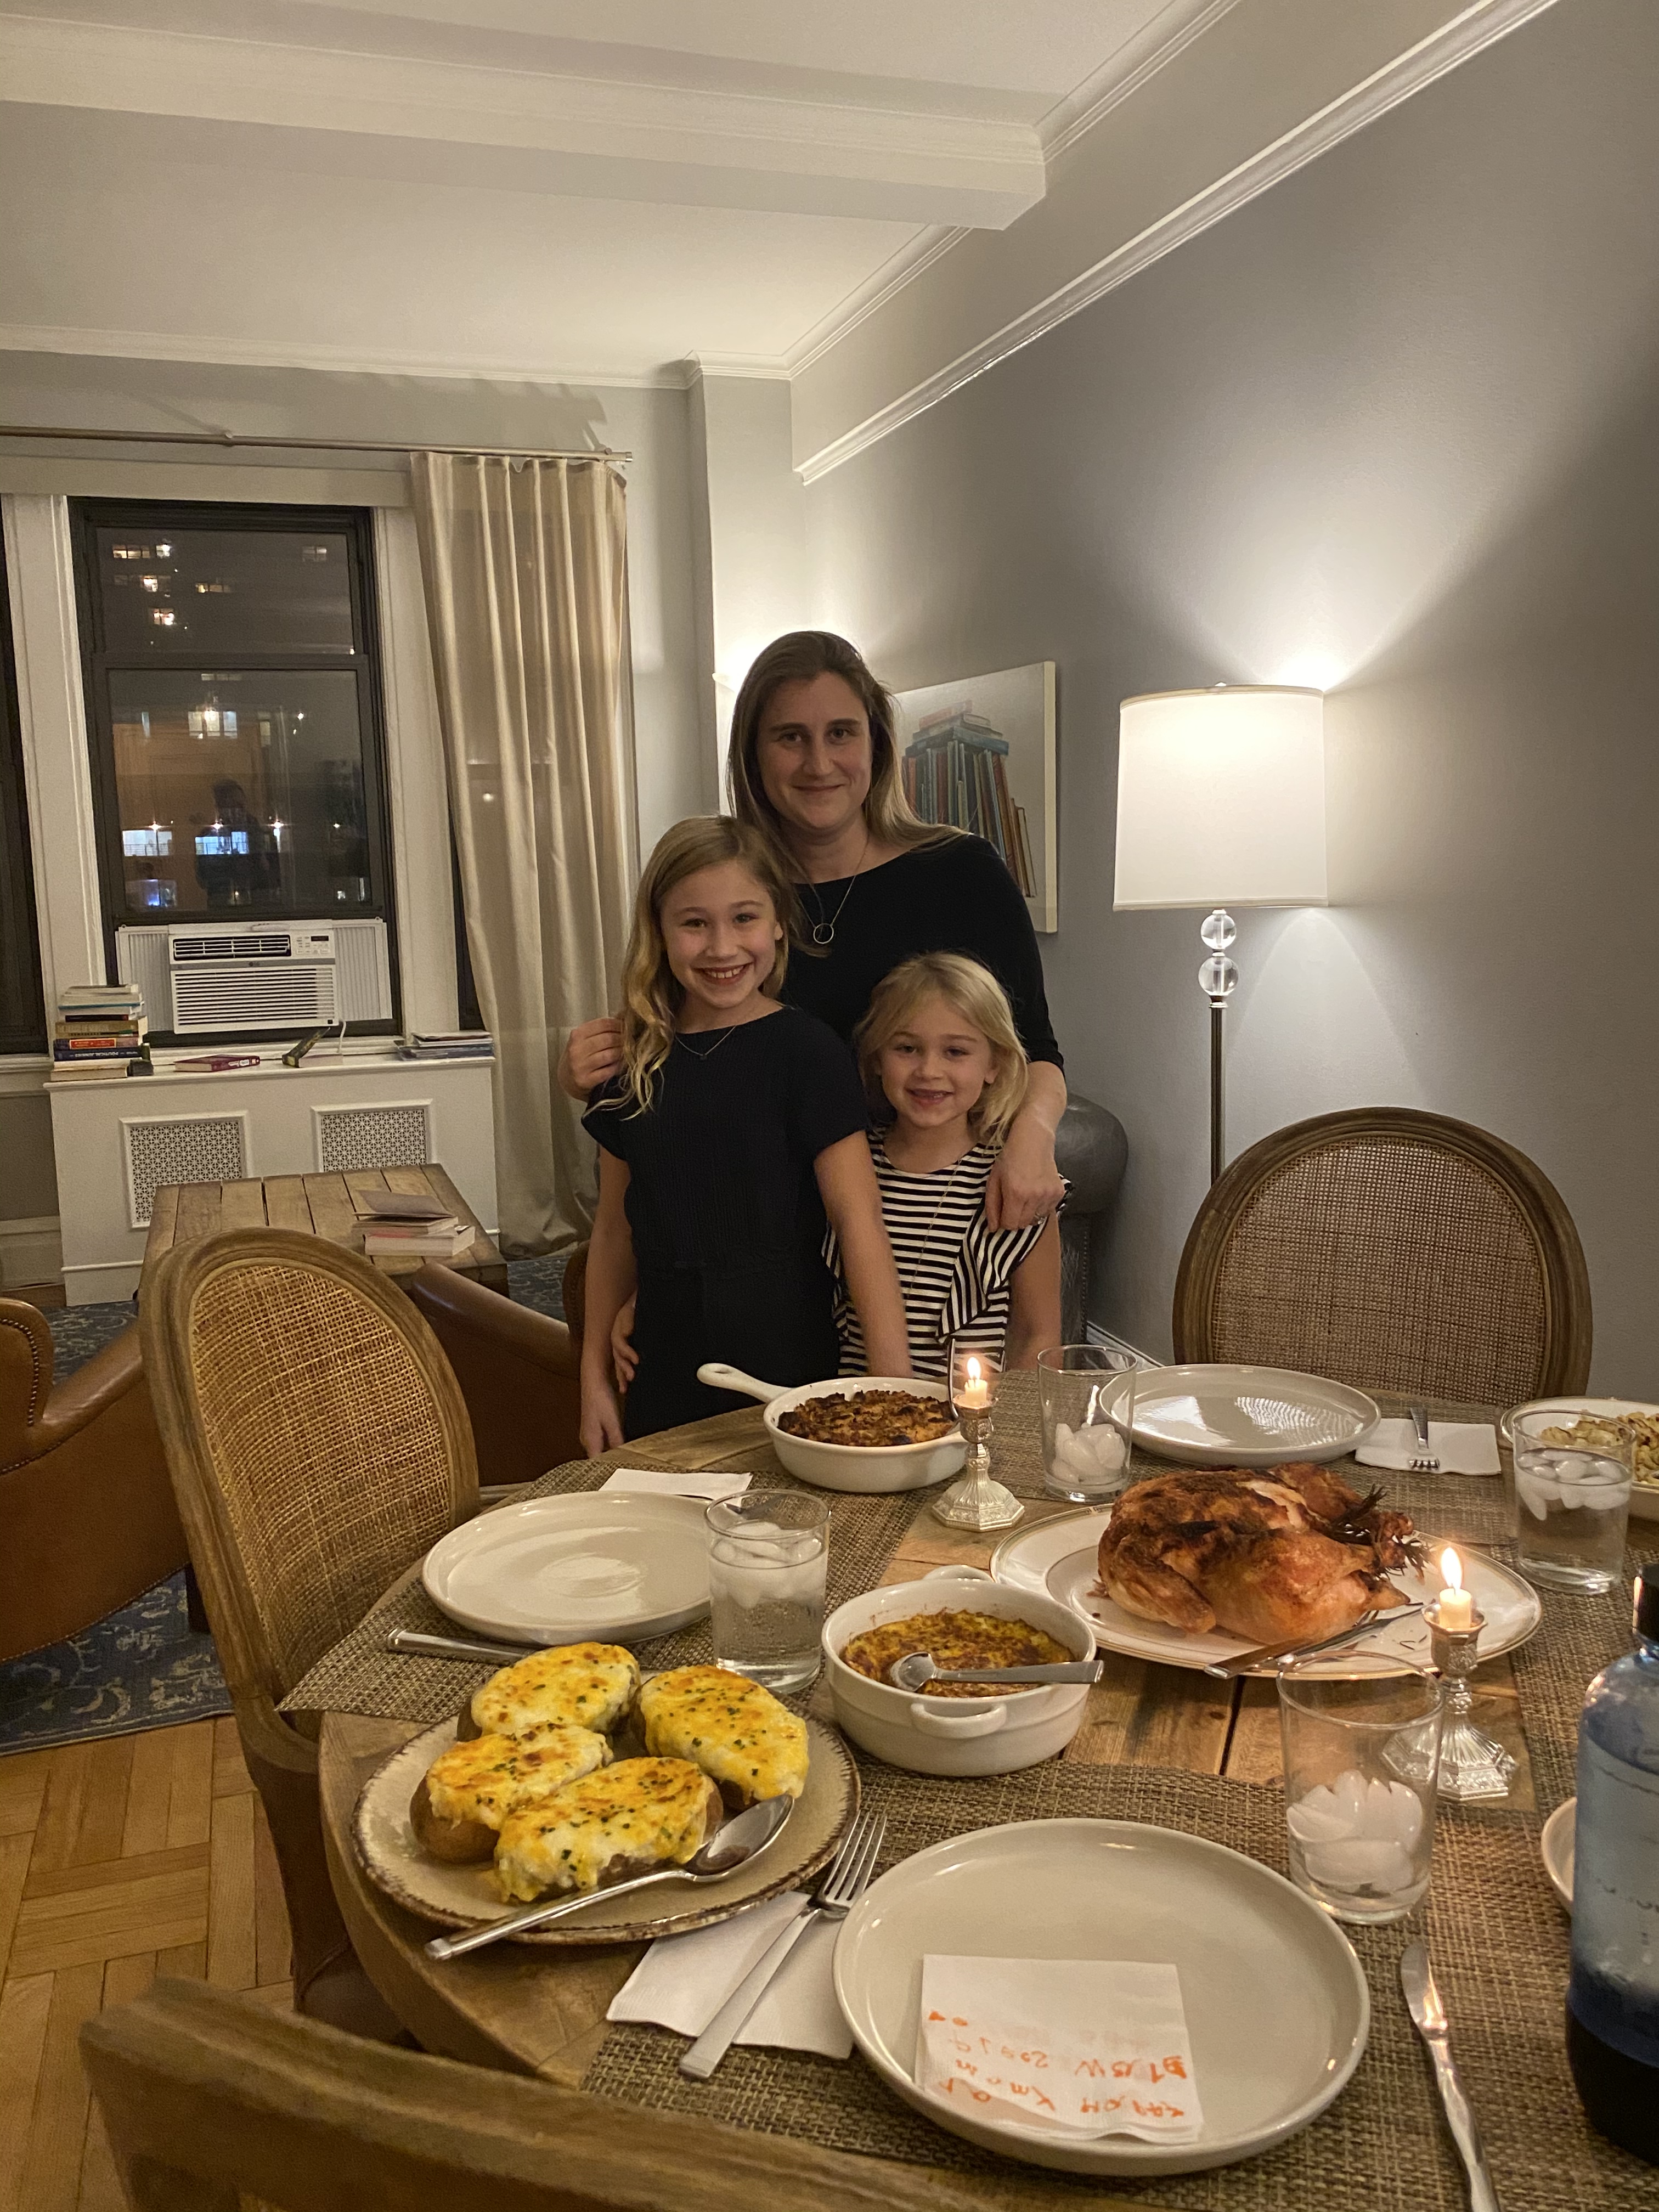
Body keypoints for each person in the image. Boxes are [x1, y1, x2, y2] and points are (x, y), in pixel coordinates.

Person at [563, 631, 1066, 1232]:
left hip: (923, 1214)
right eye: (791, 737)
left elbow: (1036, 1049)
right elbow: (675, 1058)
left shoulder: (964, 873)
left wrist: (1034, 1137)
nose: (819, 764)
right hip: (765, 1228)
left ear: (876, 744)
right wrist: (590, 1070)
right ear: (753, 754)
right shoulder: (729, 898)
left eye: (841, 733)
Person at [578, 815, 910, 1452]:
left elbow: (858, 1221)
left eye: (744, 918)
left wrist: (893, 1387)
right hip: (660, 1358)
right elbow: (614, 1229)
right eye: (694, 923)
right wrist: (592, 1375)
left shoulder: (809, 1053)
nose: (722, 947)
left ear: (779, 921)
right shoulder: (631, 1061)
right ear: (659, 931)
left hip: (788, 1351)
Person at [833, 952, 1062, 1381]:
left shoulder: (1016, 1184)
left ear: (994, 1064)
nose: (929, 1070)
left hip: (972, 1418)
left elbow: (1039, 1337)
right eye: (906, 1048)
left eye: (955, 1052)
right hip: (855, 1412)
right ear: (877, 1057)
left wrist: (1016, 1420)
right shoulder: (849, 1166)